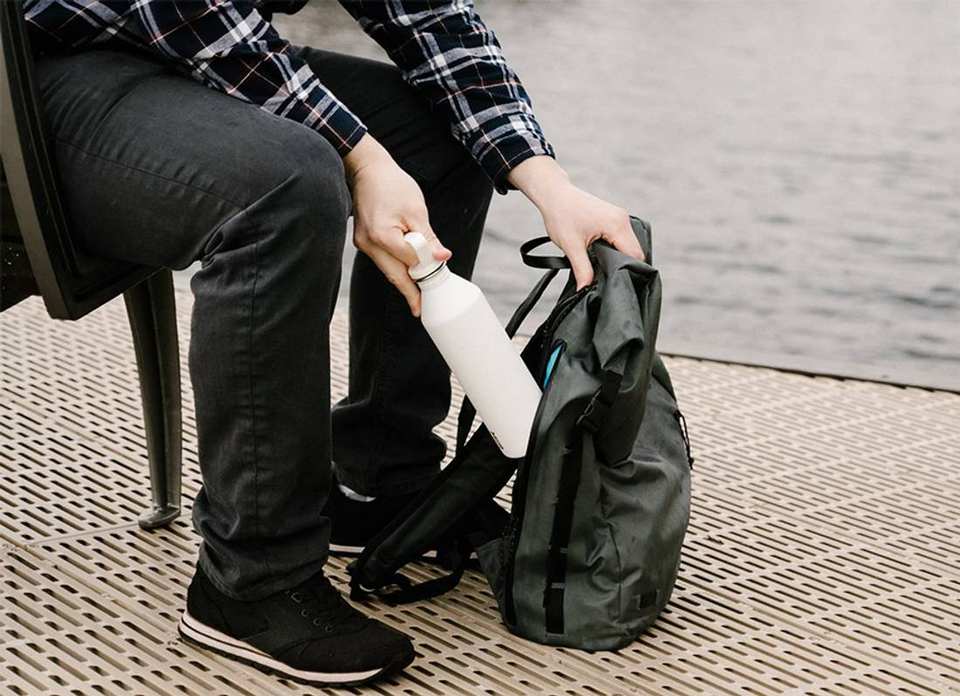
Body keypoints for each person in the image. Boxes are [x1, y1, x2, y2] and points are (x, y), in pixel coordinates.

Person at [24, 0, 645, 687]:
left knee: (435, 132)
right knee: (285, 183)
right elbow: (186, 11)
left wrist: (547, 182)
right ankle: (251, 579)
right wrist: (363, 160)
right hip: (29, 81)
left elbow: (432, 17)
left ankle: (380, 483)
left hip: (165, 57)